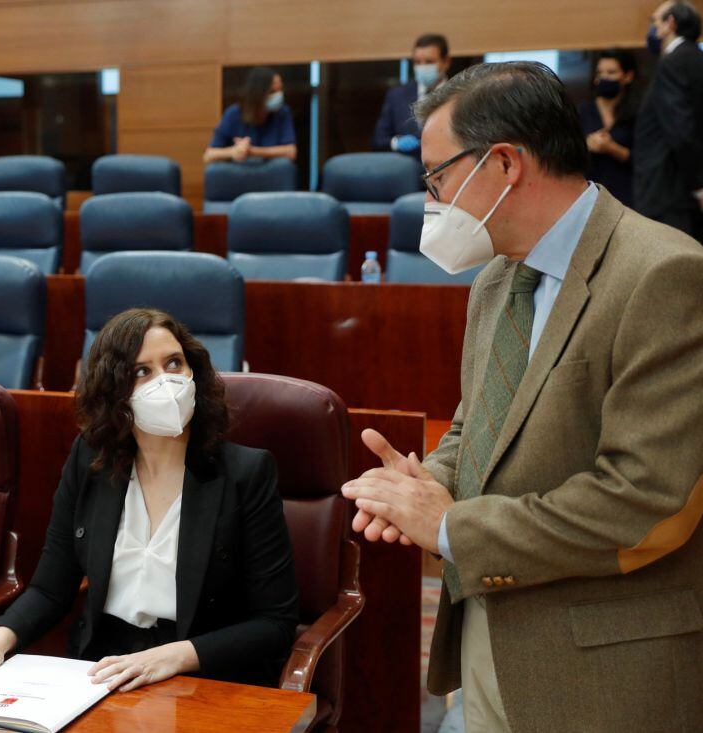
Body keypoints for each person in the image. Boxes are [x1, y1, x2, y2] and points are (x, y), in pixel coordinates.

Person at [342, 61, 703, 732]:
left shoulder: (664, 274)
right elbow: (477, 426)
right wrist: (422, 485)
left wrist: (449, 527)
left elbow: (649, 502)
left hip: (601, 671)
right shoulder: (495, 279)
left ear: (503, 163)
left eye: (438, 177)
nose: (432, 199)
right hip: (486, 632)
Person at [0, 308, 299, 692]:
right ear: (115, 392)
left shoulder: (246, 472)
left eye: (174, 363)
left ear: (194, 373)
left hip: (203, 674)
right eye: (142, 372)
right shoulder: (91, 460)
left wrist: (175, 656)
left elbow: (275, 624)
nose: (166, 382)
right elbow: (51, 589)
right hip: (101, 667)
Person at [634, 0, 703, 241]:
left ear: (670, 23)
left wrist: (698, 185)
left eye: (655, 21)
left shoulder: (672, 62)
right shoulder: (695, 58)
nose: (652, 29)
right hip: (680, 190)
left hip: (667, 190)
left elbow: (680, 130)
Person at [372, 33, 452, 158]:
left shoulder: (460, 95)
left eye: (429, 62)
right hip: (406, 170)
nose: (422, 67)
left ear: (446, 62)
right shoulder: (396, 95)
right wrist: (396, 143)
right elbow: (378, 141)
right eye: (417, 62)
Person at [578, 49, 637, 206]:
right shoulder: (583, 111)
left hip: (628, 198)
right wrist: (587, 145)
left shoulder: (637, 113)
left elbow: (646, 159)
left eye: (611, 72)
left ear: (628, 76)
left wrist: (611, 148)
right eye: (600, 73)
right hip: (591, 198)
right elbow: (567, 154)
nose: (604, 77)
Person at [203, 67, 297, 164]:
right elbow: (209, 155)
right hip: (239, 172)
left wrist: (251, 151)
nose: (278, 96)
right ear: (258, 92)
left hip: (271, 172)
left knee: (283, 165)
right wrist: (234, 151)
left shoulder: (283, 113)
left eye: (280, 90)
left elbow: (291, 152)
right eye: (272, 92)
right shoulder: (233, 114)